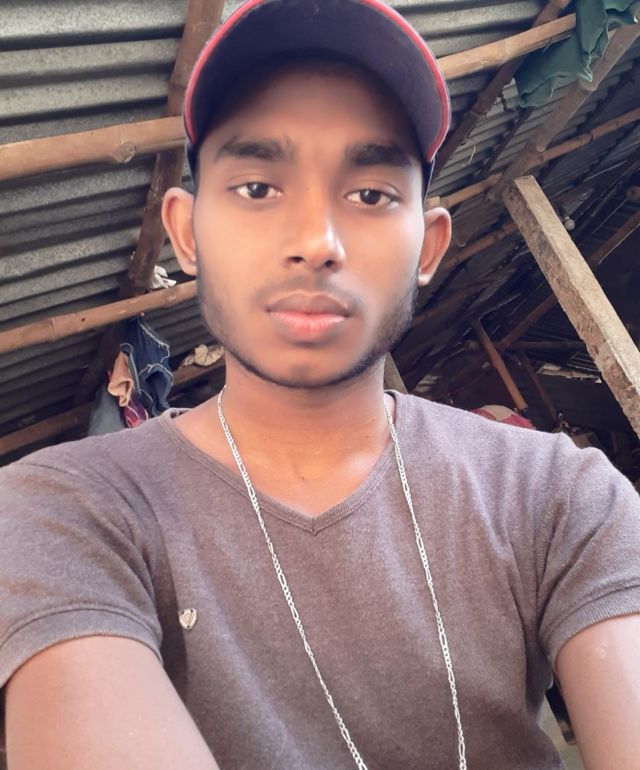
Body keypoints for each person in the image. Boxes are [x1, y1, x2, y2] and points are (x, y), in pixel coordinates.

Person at [1, 1, 639, 768]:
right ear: (186, 232)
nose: (316, 242)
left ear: (429, 245)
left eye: (370, 194)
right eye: (256, 187)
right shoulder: (65, 511)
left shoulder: (558, 495)